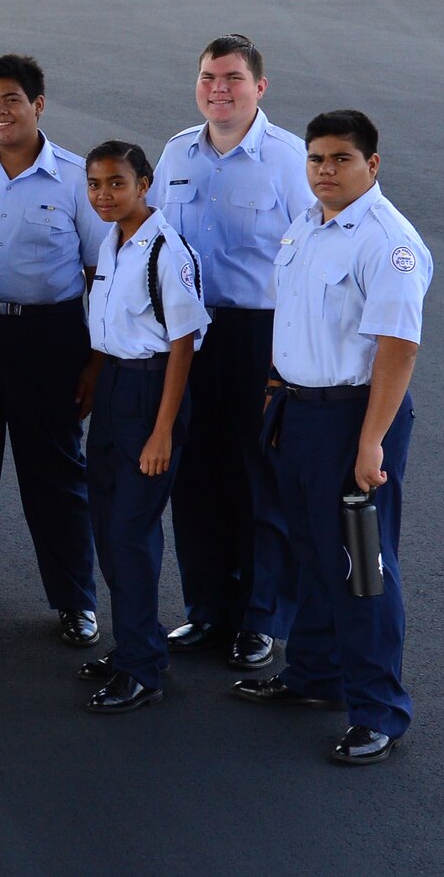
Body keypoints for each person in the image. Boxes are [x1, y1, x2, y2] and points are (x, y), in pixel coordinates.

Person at [235, 110, 431, 765]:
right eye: (316, 158)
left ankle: (379, 711)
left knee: (361, 569)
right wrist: (274, 392)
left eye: (340, 159)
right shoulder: (307, 224)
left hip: (354, 419)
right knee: (312, 552)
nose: (325, 170)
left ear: (371, 165)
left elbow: (399, 349)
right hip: (297, 412)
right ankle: (315, 674)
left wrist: (371, 442)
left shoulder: (387, 242)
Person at [0, 55, 107, 645]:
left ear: (38, 105)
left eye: (11, 100)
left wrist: (95, 361)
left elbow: (100, 273)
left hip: (48, 342)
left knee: (55, 474)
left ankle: (75, 601)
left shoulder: (75, 179)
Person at [149, 34, 313, 670]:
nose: (220, 88)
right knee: (194, 476)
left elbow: (309, 255)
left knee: (260, 478)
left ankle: (262, 617)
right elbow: (157, 242)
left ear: (259, 88)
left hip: (260, 335)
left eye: (233, 78)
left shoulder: (288, 159)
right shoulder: (176, 153)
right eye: (209, 77)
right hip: (190, 334)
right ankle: (207, 610)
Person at [74, 141, 206, 714]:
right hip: (112, 391)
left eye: (117, 183)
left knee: (130, 533)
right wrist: (92, 380)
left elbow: (183, 346)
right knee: (106, 526)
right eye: (95, 185)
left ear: (145, 183)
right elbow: (108, 325)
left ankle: (141, 670)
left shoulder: (166, 251)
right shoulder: (112, 242)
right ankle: (136, 642)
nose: (104, 195)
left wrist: (162, 431)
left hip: (151, 394)